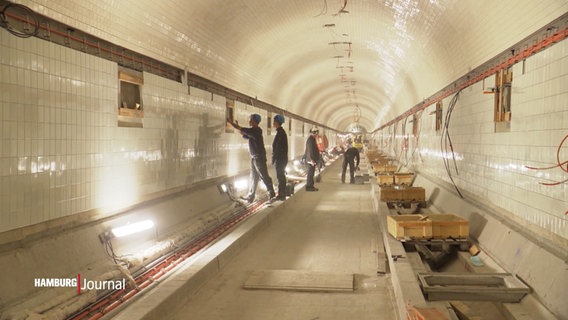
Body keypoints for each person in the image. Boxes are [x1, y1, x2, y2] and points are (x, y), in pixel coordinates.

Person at [227, 114, 276, 203]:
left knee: (263, 175)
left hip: (259, 158)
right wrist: (237, 128)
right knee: (253, 177)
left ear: (254, 121)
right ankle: (250, 197)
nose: (249, 121)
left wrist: (231, 123)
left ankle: (271, 193)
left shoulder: (255, 131)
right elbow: (243, 133)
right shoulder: (254, 132)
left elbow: (242, 129)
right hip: (254, 158)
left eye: (250, 120)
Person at [272, 114, 288, 201]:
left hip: (281, 159)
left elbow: (278, 147)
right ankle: (282, 193)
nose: (273, 123)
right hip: (281, 158)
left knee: (280, 176)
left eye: (274, 121)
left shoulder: (281, 133)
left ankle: (282, 194)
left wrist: (274, 158)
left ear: (278, 122)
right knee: (280, 176)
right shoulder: (280, 132)